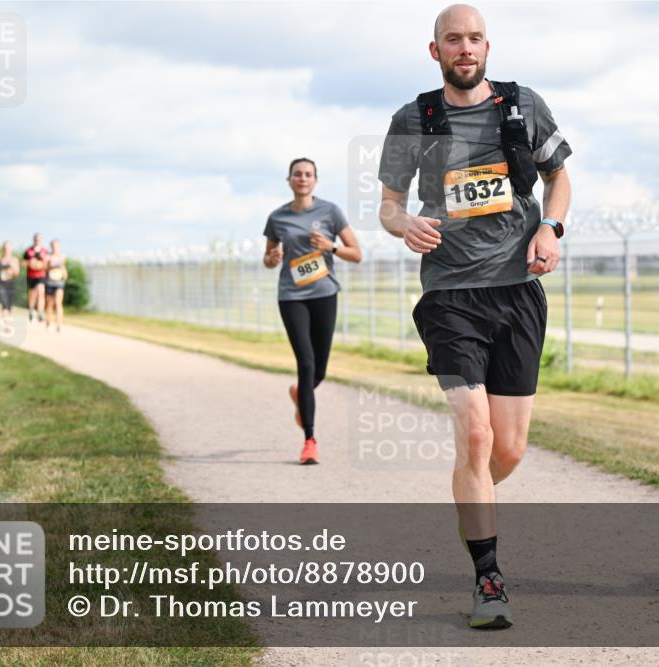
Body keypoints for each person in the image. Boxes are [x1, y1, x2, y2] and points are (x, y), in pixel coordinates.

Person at [377, 4, 571, 629]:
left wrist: (551, 226)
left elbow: (558, 177)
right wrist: (403, 222)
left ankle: (472, 495)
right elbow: (387, 204)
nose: (465, 47)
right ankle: (488, 579)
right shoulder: (415, 118)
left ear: (488, 46)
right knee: (477, 434)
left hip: (517, 292)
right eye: (453, 39)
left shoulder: (521, 105)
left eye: (475, 38)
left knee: (507, 450)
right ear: (434, 50)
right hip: (450, 295)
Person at [263, 157, 362, 464]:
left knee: (319, 370)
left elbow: (356, 254)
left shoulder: (330, 211)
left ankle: (299, 393)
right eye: (297, 174)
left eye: (308, 174)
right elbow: (267, 258)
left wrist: (329, 247)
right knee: (305, 364)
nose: (302, 178)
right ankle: (310, 440)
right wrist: (273, 257)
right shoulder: (277, 218)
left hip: (324, 294)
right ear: (289, 180)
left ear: (315, 180)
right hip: (292, 296)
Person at [24, 233, 48, 323]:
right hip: (31, 276)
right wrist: (30, 263)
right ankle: (31, 310)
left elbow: (47, 264)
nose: (37, 240)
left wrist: (42, 263)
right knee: (32, 295)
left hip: (41, 275)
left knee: (41, 292)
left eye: (39, 239)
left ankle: (40, 312)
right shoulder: (28, 251)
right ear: (34, 240)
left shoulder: (44, 251)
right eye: (36, 239)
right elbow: (24, 262)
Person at [44, 239, 68, 332]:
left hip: (59, 282)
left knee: (58, 303)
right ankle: (48, 322)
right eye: (53, 246)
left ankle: (59, 325)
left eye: (56, 245)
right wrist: (50, 265)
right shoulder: (48, 257)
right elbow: (45, 269)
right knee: (50, 304)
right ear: (51, 246)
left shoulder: (62, 256)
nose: (55, 247)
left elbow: (63, 269)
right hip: (50, 282)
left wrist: (63, 269)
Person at [0, 241, 20, 326]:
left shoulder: (14, 259)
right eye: (5, 248)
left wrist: (13, 268)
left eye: (8, 248)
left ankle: (7, 322)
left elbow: (17, 273)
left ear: (11, 249)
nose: (7, 249)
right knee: (4, 304)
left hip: (10, 284)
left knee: (9, 305)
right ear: (3, 249)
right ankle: (6, 325)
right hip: (1, 284)